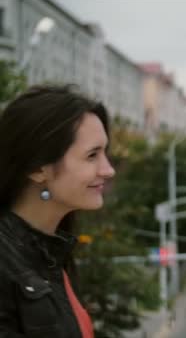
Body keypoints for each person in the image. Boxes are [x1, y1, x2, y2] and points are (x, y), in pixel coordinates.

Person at [0, 85, 115, 337]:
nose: (108, 170)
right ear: (38, 169)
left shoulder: (51, 255)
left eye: (105, 153)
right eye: (92, 155)